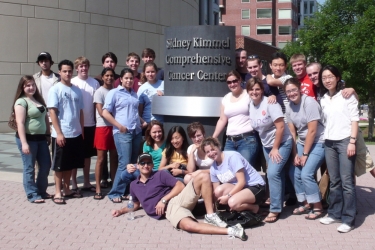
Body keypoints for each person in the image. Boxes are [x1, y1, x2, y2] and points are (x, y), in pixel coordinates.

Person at [111, 153, 247, 241]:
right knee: (188, 226)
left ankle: (210, 216)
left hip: (175, 200)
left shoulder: (160, 174)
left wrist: (163, 200)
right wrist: (121, 211)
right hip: (170, 210)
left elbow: (180, 186)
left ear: (152, 165)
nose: (146, 165)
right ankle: (232, 230)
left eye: (148, 163)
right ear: (138, 165)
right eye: (143, 163)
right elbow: (135, 204)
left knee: (203, 176)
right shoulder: (134, 185)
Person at [318, 65, 359, 233]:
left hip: (344, 142)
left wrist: (352, 141)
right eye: (324, 78)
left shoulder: (347, 96)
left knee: (347, 182)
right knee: (334, 181)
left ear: (337, 77)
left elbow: (355, 120)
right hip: (329, 143)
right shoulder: (323, 99)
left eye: (330, 76)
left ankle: (348, 219)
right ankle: (334, 213)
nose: (327, 80)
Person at [247, 77, 292, 223]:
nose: (254, 92)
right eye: (252, 89)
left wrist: (275, 148)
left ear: (262, 90)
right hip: (267, 145)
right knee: (276, 174)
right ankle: (278, 203)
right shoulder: (250, 105)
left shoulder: (270, 104)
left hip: (282, 142)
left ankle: (275, 209)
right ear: (248, 91)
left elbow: (281, 127)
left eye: (257, 89)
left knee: (273, 173)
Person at [284, 78, 325, 219]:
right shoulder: (289, 106)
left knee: (306, 174)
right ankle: (307, 203)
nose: (291, 93)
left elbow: (312, 131)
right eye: (288, 91)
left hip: (319, 141)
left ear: (300, 89)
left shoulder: (309, 102)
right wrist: (295, 154)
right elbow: (292, 132)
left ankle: (318, 206)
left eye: (294, 90)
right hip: (302, 142)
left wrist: (305, 154)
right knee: (294, 172)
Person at [102, 68, 143, 203]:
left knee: (132, 164)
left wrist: (143, 122)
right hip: (122, 133)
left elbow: (135, 113)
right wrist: (119, 126)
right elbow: (105, 113)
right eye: (126, 78)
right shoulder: (114, 93)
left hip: (136, 132)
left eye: (131, 78)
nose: (129, 80)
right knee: (124, 164)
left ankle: (125, 190)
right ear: (121, 79)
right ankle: (115, 193)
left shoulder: (134, 94)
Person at [48, 60, 84, 204]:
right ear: (59, 72)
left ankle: (67, 189)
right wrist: (59, 133)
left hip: (75, 133)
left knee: (69, 164)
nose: (68, 73)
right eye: (65, 71)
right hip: (61, 133)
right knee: (59, 165)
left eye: (70, 71)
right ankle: (58, 192)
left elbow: (80, 112)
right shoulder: (55, 89)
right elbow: (52, 112)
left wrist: (81, 130)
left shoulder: (77, 90)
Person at [13, 75, 52, 203]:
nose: (31, 88)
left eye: (33, 85)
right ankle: (32, 194)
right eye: (27, 85)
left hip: (41, 139)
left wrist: (47, 134)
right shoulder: (21, 102)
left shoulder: (38, 100)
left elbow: (45, 118)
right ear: (22, 87)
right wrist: (24, 143)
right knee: (29, 167)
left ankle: (41, 191)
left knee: (46, 165)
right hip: (28, 139)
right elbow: (20, 123)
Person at [201, 137, 266, 214]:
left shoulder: (232, 157)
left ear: (218, 146)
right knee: (218, 191)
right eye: (207, 152)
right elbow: (216, 193)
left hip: (255, 186)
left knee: (232, 203)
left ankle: (254, 207)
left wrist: (228, 196)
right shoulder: (213, 168)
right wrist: (212, 212)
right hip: (241, 189)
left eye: (212, 149)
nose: (211, 153)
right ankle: (238, 204)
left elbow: (242, 182)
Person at [212, 70, 259, 167]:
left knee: (244, 169)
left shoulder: (249, 94)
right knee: (228, 169)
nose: (232, 84)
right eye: (229, 82)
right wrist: (213, 137)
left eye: (234, 81)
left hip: (247, 140)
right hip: (230, 142)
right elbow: (222, 120)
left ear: (240, 80)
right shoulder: (226, 98)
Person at [71, 57, 100, 192]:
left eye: (85, 66)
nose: (83, 68)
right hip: (75, 125)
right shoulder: (72, 82)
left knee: (87, 155)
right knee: (75, 155)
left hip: (90, 124)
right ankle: (74, 183)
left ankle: (87, 182)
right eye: (81, 66)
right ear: (76, 68)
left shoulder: (94, 83)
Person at [120, 120, 166, 199]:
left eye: (159, 131)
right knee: (125, 174)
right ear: (149, 133)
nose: (157, 134)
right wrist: (131, 166)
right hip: (147, 167)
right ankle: (138, 190)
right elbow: (143, 159)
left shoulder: (167, 144)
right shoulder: (146, 144)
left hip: (158, 171)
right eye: (154, 132)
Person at [94, 52, 119, 188]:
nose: (109, 78)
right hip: (103, 127)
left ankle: (114, 185)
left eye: (111, 76)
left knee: (114, 158)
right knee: (101, 159)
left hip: (114, 128)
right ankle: (98, 187)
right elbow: (101, 111)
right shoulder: (99, 92)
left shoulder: (117, 91)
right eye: (107, 76)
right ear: (103, 77)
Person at [137, 62, 164, 126]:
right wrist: (142, 123)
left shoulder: (163, 84)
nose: (150, 74)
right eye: (148, 72)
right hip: (148, 122)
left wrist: (163, 97)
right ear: (144, 73)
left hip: (161, 122)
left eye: (152, 71)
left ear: (156, 72)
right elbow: (140, 109)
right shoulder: (142, 88)